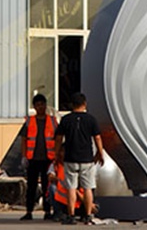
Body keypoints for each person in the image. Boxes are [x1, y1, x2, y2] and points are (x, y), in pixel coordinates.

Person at [54, 93, 104, 225]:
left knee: (71, 187)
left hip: (70, 158)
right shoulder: (91, 119)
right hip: (87, 159)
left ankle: (71, 216)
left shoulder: (66, 120)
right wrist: (100, 153)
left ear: (72, 104)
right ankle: (88, 215)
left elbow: (58, 138)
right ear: (84, 104)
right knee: (88, 188)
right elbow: (97, 137)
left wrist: (56, 153)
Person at [19, 93, 59, 220]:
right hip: (33, 159)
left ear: (45, 105)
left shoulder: (53, 121)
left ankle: (47, 211)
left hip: (48, 159)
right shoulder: (29, 121)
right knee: (31, 186)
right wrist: (24, 156)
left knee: (47, 186)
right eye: (38, 105)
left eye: (42, 104)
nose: (40, 107)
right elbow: (23, 139)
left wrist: (57, 156)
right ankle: (29, 211)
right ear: (34, 107)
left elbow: (58, 138)